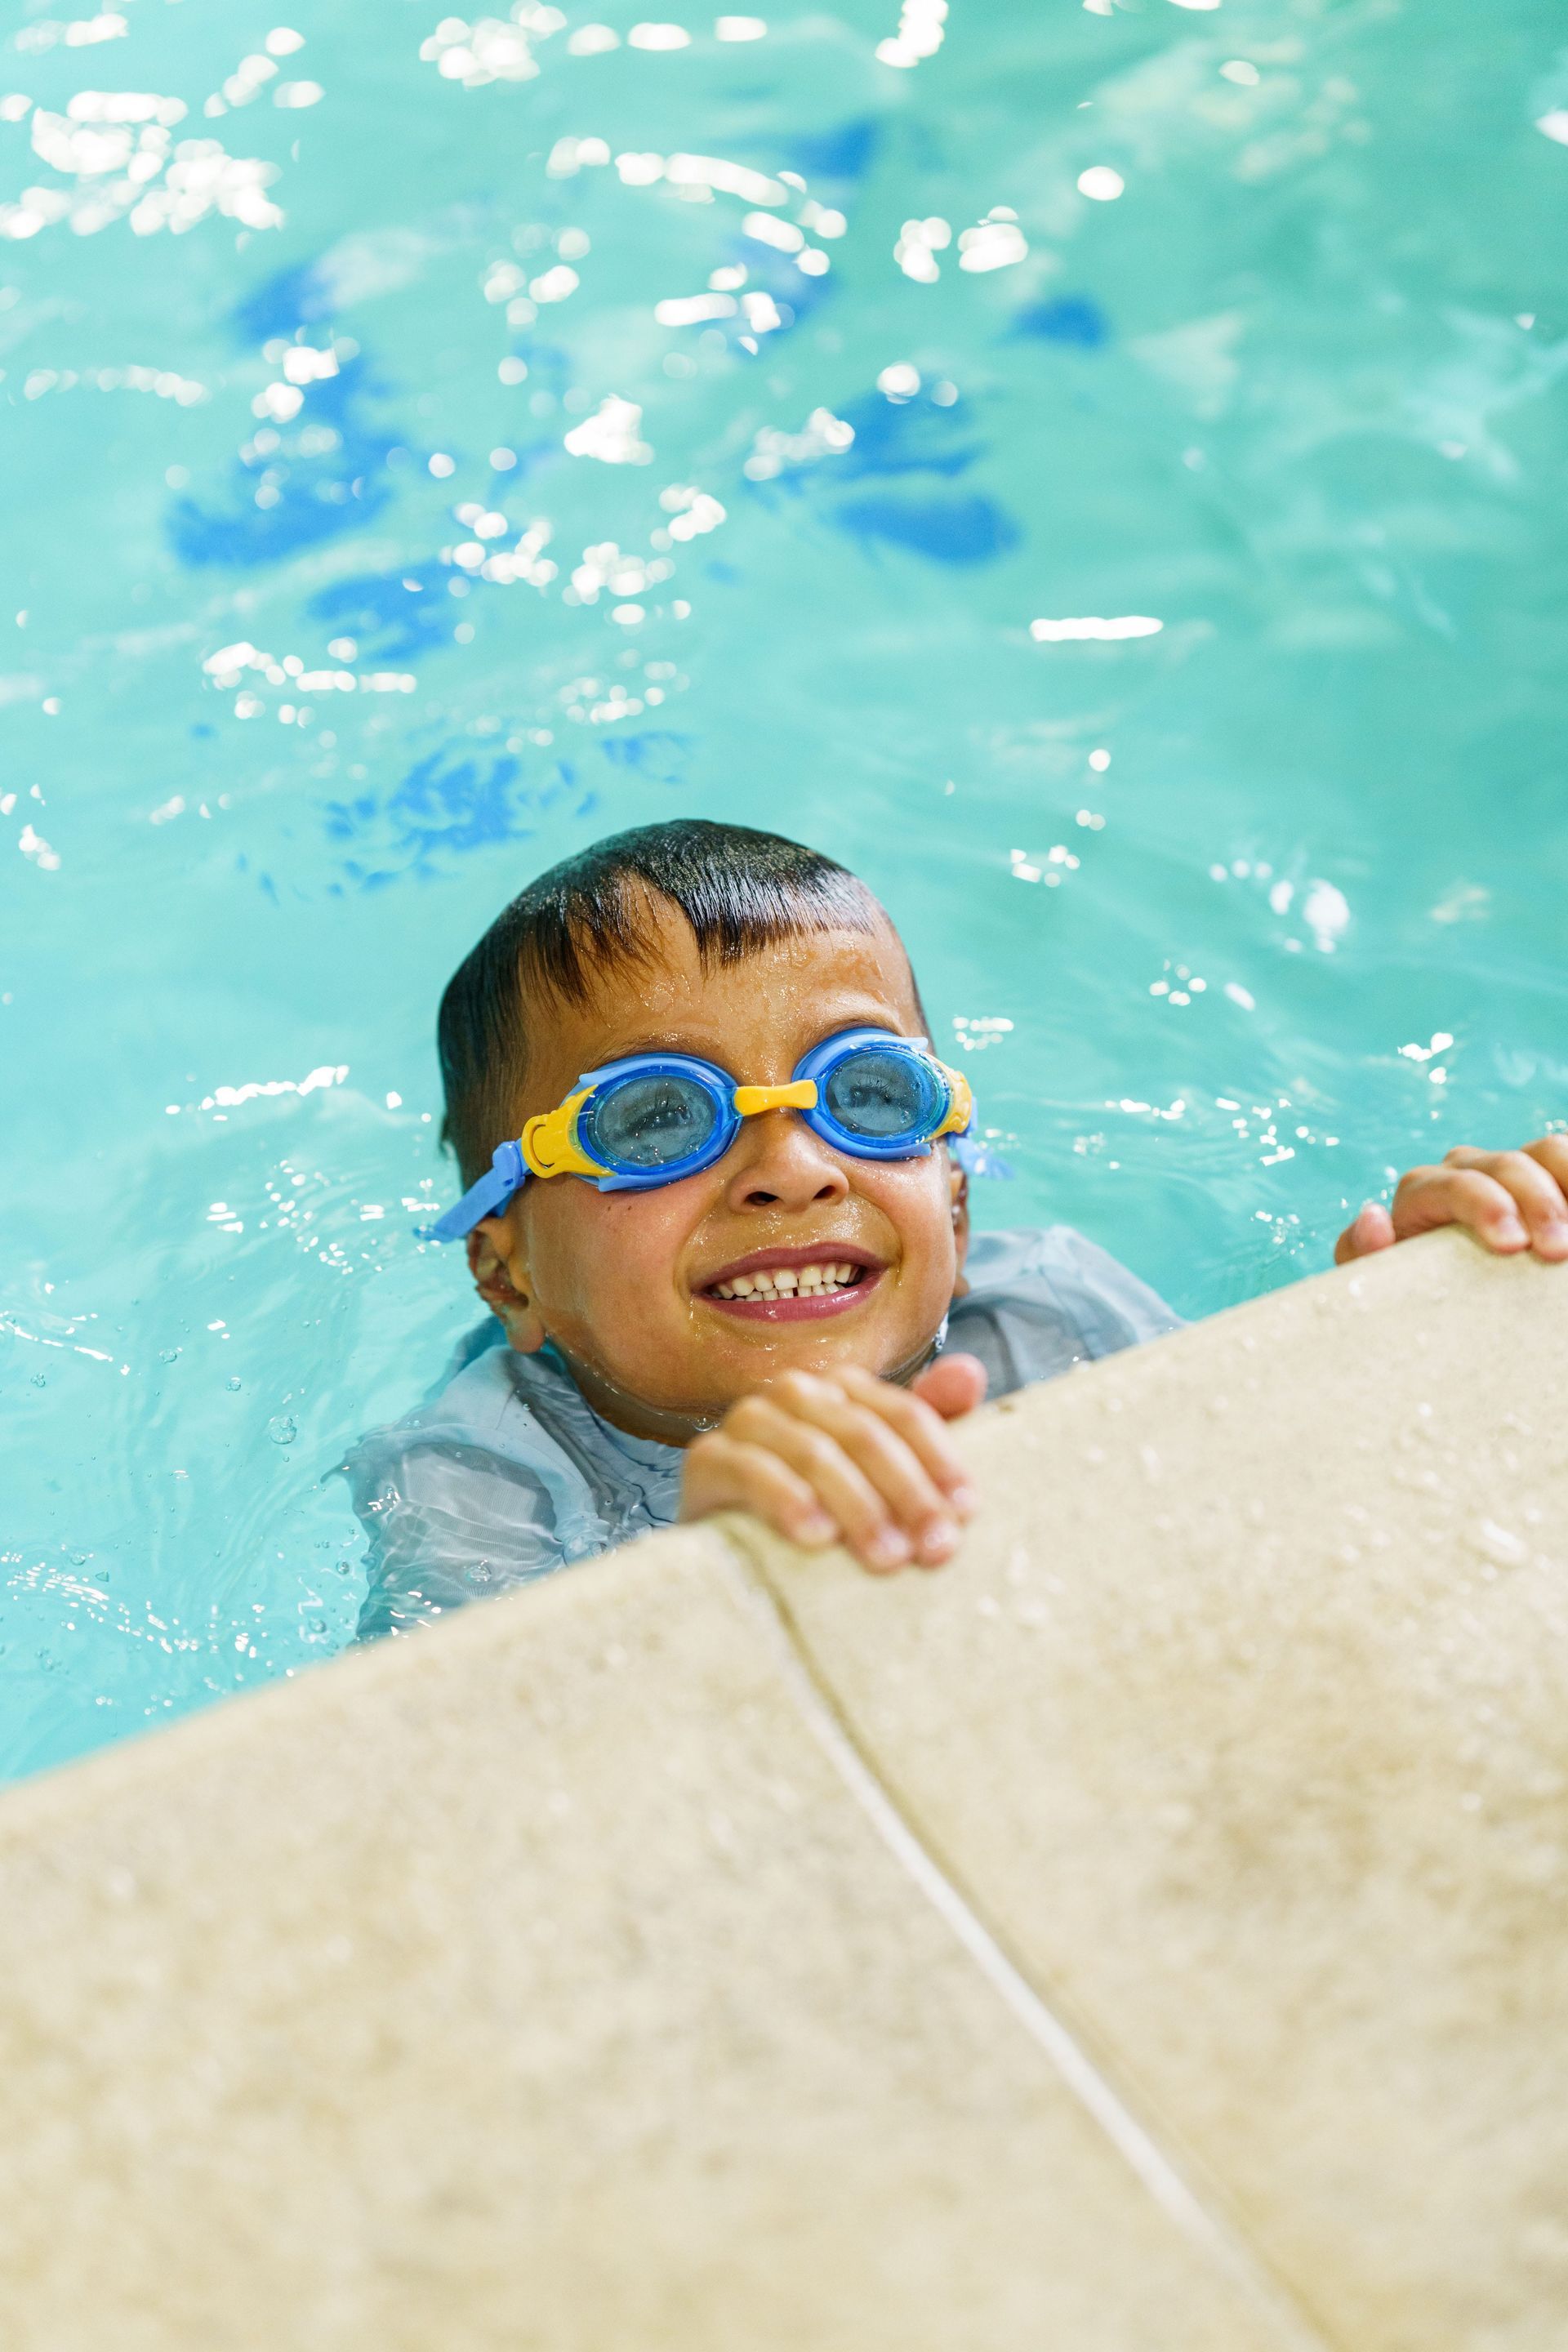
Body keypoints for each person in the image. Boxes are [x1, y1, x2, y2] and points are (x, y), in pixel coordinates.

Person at [345, 820, 1568, 1639]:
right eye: (657, 1120)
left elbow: (1266, 1546)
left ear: (960, 1199)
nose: (793, 1169)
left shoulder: (1050, 1316)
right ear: (507, 1274)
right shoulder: (476, 1475)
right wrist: (702, 1596)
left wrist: (1388, 1353)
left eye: (869, 1096)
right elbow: (484, 1810)